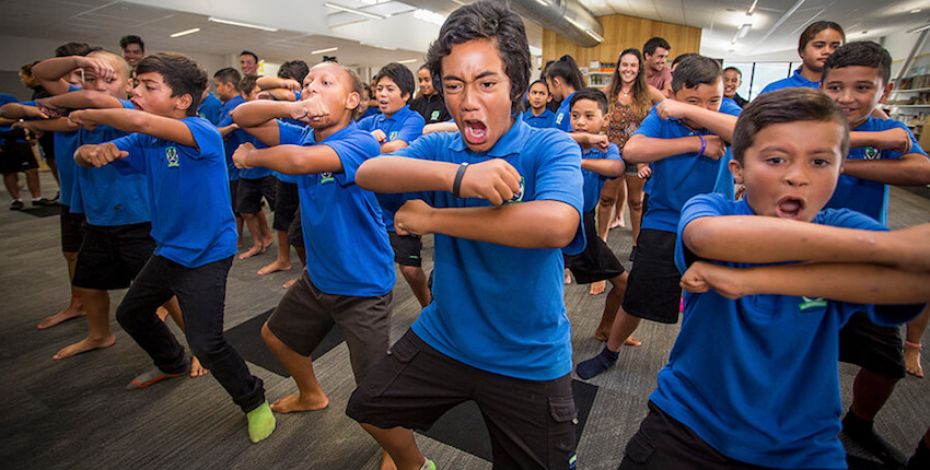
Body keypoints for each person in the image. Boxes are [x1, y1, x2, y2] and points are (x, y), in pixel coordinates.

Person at [615, 87, 930, 469]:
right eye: (777, 159)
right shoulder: (712, 207)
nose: (797, 177)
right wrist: (896, 246)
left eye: (820, 161)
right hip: (689, 424)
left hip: (801, 444)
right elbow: (709, 237)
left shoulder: (842, 225)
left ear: (840, 168)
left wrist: (757, 283)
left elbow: (912, 285)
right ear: (739, 170)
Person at [345, 2, 584, 469]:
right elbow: (371, 171)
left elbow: (556, 225)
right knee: (368, 408)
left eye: (486, 83)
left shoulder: (547, 145)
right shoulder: (442, 145)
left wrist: (433, 220)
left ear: (515, 83)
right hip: (446, 336)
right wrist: (458, 178)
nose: (468, 101)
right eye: (453, 85)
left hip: (527, 355)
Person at [68, 52, 275, 444]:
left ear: (181, 100)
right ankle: (171, 362)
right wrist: (92, 152)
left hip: (208, 253)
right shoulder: (147, 140)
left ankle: (253, 400)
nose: (136, 92)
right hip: (168, 249)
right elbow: (88, 153)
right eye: (136, 85)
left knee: (207, 342)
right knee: (132, 312)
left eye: (148, 86)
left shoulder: (202, 132)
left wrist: (97, 112)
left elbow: (141, 120)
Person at [230, 59, 397, 465]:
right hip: (320, 278)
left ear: (353, 100)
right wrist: (288, 107)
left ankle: (399, 448)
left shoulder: (359, 141)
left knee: (374, 388)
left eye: (326, 82)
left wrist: (253, 158)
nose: (313, 89)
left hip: (364, 285)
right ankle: (312, 394)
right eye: (308, 84)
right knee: (275, 337)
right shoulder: (302, 132)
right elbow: (241, 115)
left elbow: (300, 162)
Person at [575, 55, 739, 380]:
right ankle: (610, 351)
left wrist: (691, 111)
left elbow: (749, 131)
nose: (707, 109)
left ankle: (696, 364)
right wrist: (698, 142)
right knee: (638, 295)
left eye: (713, 101)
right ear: (674, 94)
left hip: (714, 222)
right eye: (694, 101)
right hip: (664, 220)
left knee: (709, 300)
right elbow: (632, 152)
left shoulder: (728, 113)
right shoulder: (662, 117)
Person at [819, 41, 930, 467]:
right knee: (801, 349)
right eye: (836, 87)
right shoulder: (809, 123)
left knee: (885, 361)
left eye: (863, 87)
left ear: (883, 90)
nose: (848, 98)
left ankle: (859, 423)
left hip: (865, 258)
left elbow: (921, 170)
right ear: (822, 88)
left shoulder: (891, 131)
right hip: (806, 256)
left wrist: (837, 162)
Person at [564, 88, 633, 344]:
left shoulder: (606, 147)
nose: (580, 122)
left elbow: (616, 168)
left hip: (585, 225)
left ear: (605, 119)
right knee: (543, 290)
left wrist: (579, 161)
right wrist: (573, 146)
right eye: (575, 115)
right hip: (556, 222)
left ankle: (605, 329)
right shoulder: (560, 141)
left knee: (624, 283)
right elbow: (543, 139)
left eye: (588, 116)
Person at [358, 62, 430, 309]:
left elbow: (395, 149)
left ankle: (428, 307)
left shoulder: (413, 119)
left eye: (390, 89)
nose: (382, 94)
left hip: (403, 207)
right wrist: (369, 140)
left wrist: (367, 147)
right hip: (373, 209)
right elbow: (348, 143)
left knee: (410, 269)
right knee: (373, 267)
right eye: (379, 88)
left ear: (406, 95)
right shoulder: (371, 121)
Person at [599, 48, 665, 272]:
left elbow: (668, 108)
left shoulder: (649, 93)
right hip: (611, 153)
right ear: (619, 67)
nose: (628, 69)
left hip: (637, 156)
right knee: (606, 198)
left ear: (639, 68)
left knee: (636, 202)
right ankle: (602, 240)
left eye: (633, 65)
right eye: (624, 64)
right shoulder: (608, 92)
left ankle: (637, 243)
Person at [759, 21, 844, 94]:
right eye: (819, 46)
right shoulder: (775, 90)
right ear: (802, 51)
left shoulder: (847, 91)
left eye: (835, 47)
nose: (827, 51)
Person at [546, 54, 585, 132]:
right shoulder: (565, 105)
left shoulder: (576, 105)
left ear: (556, 82)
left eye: (548, 85)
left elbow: (576, 136)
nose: (549, 91)